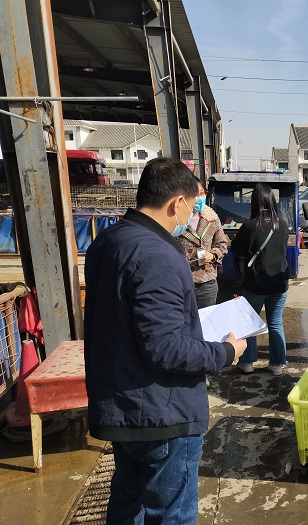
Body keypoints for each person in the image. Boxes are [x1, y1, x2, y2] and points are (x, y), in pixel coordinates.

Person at [83, 157, 247, 524]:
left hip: (122, 404)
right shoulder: (158, 255)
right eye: (193, 207)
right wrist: (226, 351)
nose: (193, 215)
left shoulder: (108, 241)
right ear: (177, 203)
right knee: (171, 514)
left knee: (127, 504)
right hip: (161, 414)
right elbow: (165, 347)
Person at [230, 183, 289, 376]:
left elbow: (237, 250)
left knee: (250, 324)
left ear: (255, 202)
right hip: (279, 284)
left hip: (255, 284)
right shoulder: (282, 225)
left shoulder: (249, 226)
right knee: (275, 323)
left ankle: (247, 363)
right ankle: (277, 364)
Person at [177, 178, 228, 308]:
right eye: (195, 194)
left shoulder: (211, 217)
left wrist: (212, 255)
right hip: (182, 281)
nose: (200, 198)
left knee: (207, 318)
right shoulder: (176, 218)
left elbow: (222, 244)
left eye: (202, 193)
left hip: (207, 281)